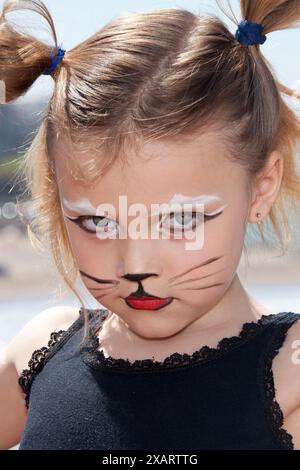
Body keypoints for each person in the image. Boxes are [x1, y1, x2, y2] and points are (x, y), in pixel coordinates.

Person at [0, 0, 300, 450]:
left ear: (261, 189)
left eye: (180, 220)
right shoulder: (38, 352)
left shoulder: (291, 373)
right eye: (98, 221)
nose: (135, 264)